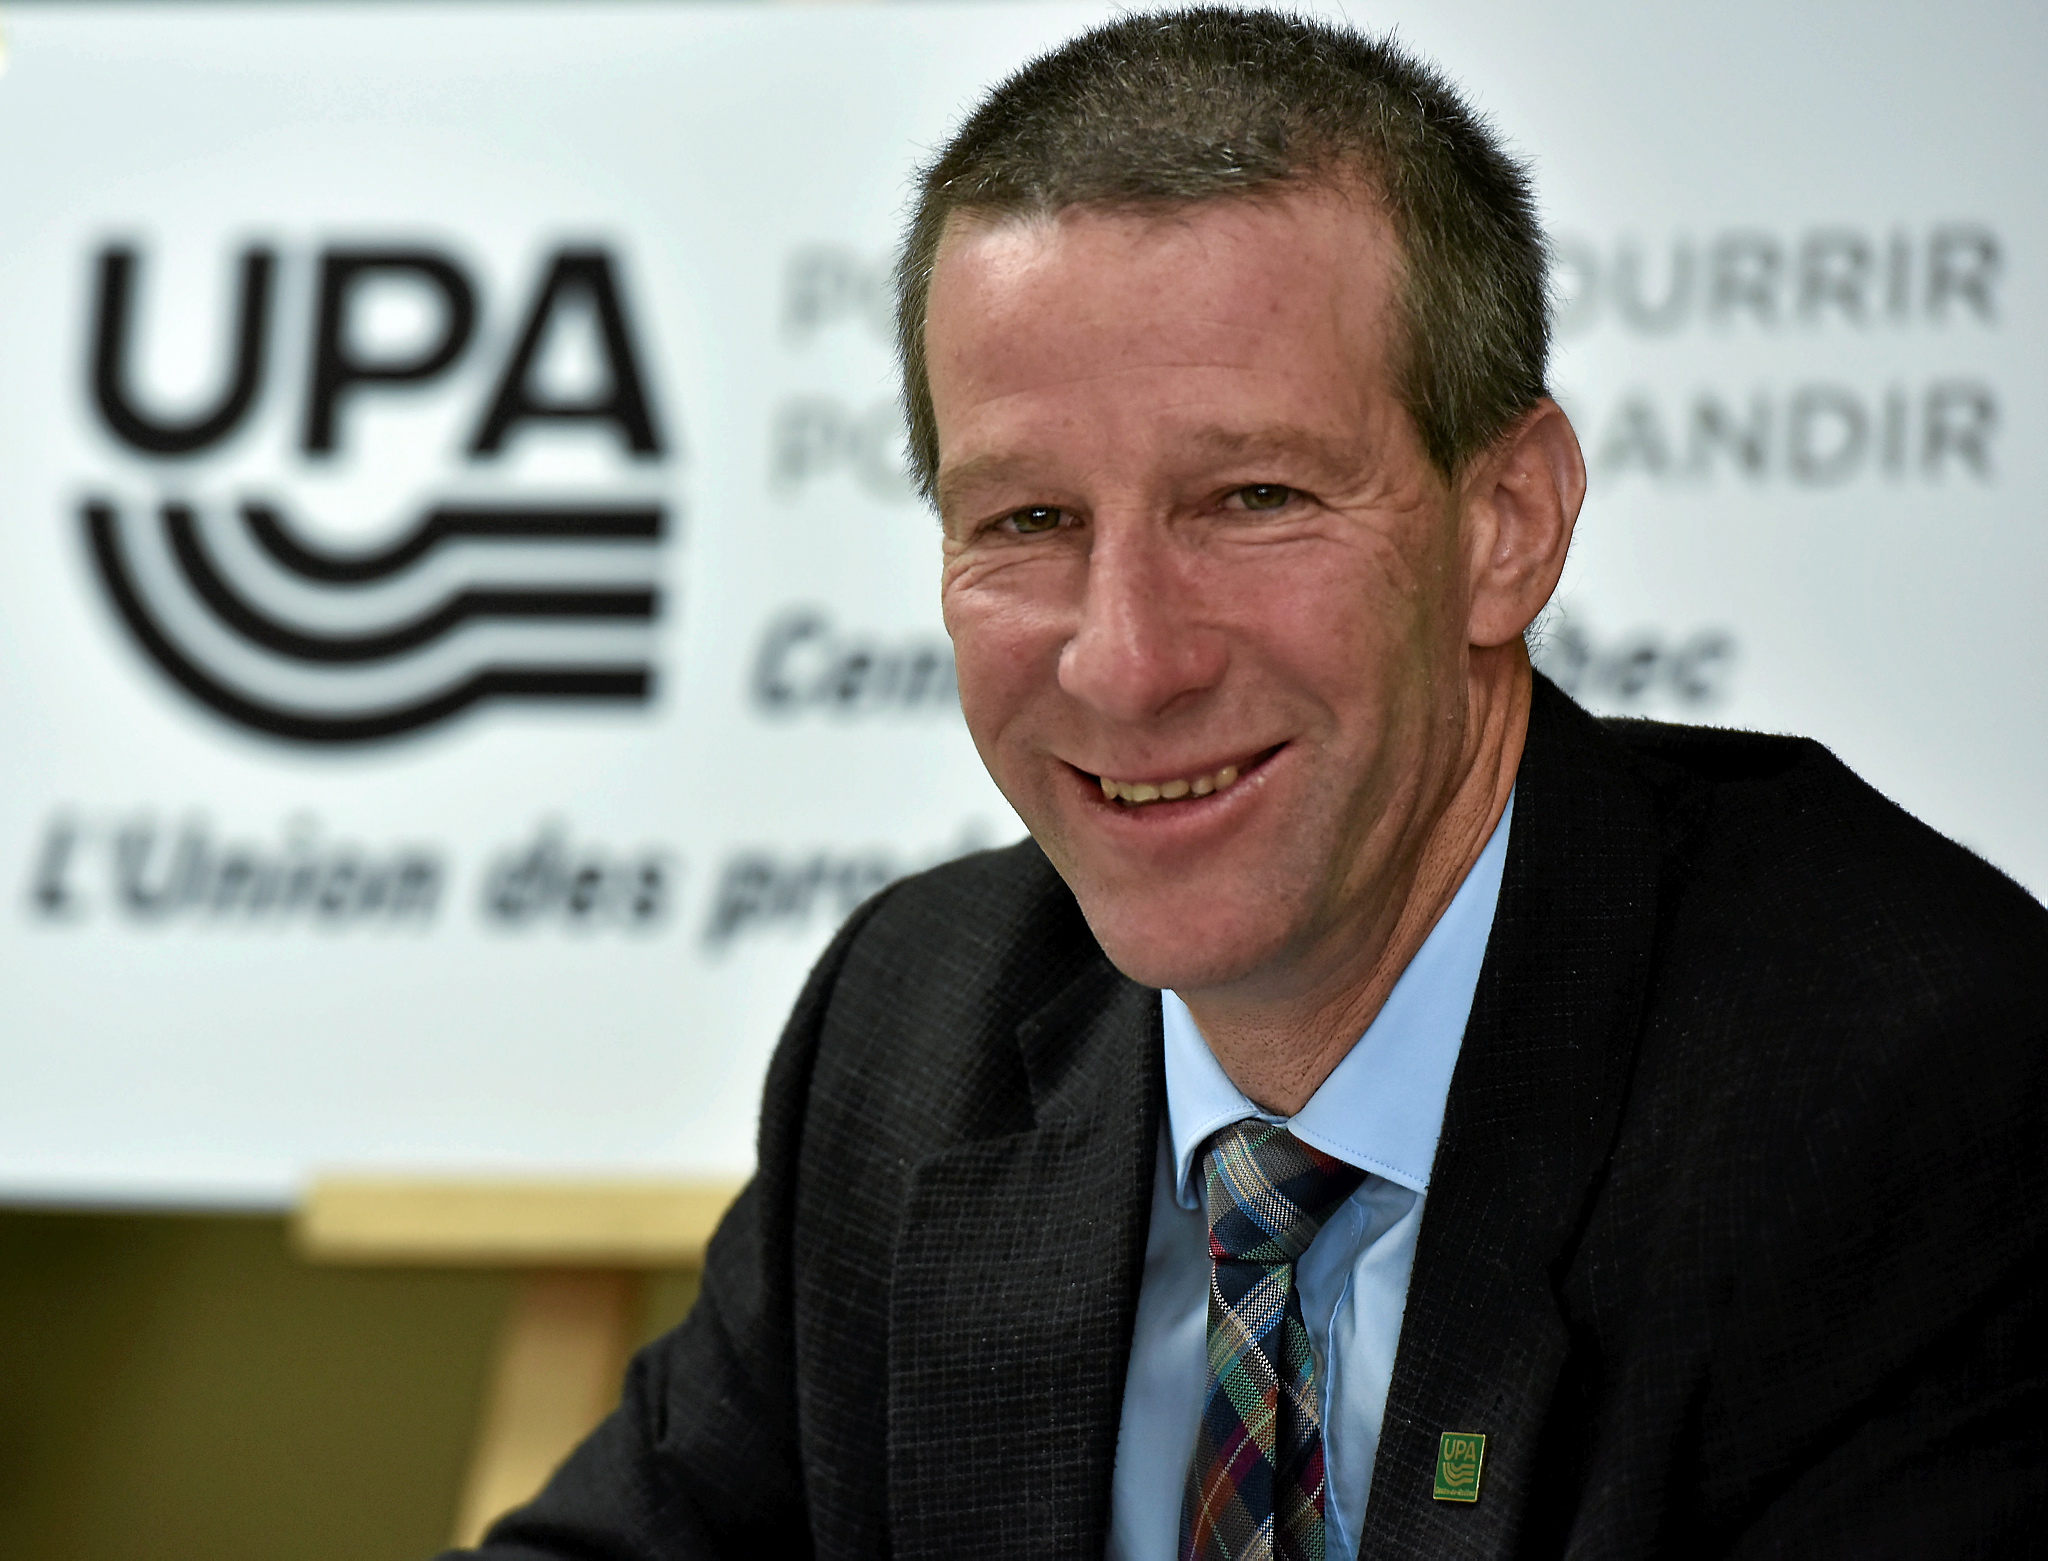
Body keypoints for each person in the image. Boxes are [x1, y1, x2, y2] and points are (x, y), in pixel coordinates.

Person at [458, 10, 2048, 1558]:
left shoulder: (1906, 1090)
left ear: (1507, 523)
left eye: (1254, 498)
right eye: (1026, 521)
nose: (1125, 662)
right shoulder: (913, 1033)